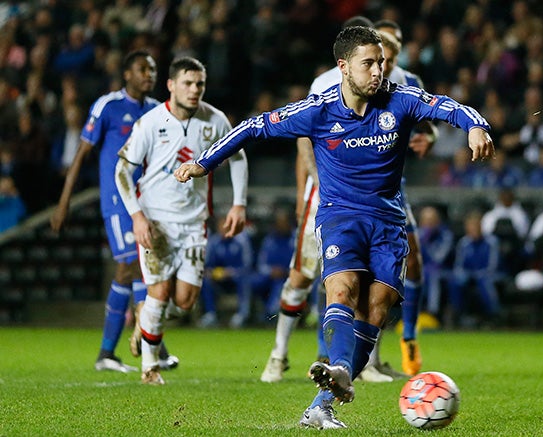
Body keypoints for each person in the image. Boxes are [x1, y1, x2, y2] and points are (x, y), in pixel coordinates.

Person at [174, 26, 494, 429]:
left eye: (381, 62)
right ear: (344, 67)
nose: (379, 70)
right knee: (342, 290)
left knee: (376, 308)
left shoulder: (400, 99)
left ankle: (323, 402)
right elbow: (254, 126)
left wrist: (476, 126)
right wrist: (204, 162)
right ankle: (340, 369)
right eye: (369, 63)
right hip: (340, 217)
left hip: (388, 223)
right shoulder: (318, 110)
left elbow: (448, 106)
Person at [259, 17, 435, 384]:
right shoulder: (327, 83)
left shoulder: (407, 83)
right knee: (307, 273)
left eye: (393, 47)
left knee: (384, 278)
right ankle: (280, 354)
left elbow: (427, 127)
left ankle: (368, 358)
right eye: (381, 46)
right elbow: (303, 134)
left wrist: (427, 140)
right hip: (330, 194)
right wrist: (306, 188)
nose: (387, 54)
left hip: (386, 194)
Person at [115, 56, 248, 385]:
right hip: (156, 221)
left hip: (194, 223)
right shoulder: (150, 122)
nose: (194, 90)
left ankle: (145, 323)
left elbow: (239, 156)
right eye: (187, 83)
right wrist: (137, 217)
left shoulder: (214, 119)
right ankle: (149, 368)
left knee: (186, 301)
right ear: (171, 85)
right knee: (158, 292)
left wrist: (238, 204)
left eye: (199, 84)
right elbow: (121, 169)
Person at [50, 50, 177, 373]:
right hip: (119, 203)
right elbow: (81, 153)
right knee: (131, 265)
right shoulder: (108, 106)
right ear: (127, 74)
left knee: (139, 270)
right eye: (142, 69)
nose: (149, 74)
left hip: (149, 204)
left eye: (152, 69)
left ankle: (114, 352)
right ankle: (150, 345)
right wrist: (64, 202)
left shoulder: (157, 111)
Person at [198, 215, 255, 329]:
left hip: (236, 278)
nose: (224, 229)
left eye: (227, 226)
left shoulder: (241, 241)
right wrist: (212, 272)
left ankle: (242, 314)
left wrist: (231, 272)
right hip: (219, 280)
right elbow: (207, 264)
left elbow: (248, 265)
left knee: (245, 280)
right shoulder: (214, 242)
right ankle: (210, 314)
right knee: (204, 279)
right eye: (222, 226)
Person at [447, 211, 502, 327]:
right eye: (470, 227)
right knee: (455, 281)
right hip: (469, 274)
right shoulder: (464, 243)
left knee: (484, 281)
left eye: (476, 227)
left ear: (481, 227)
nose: (473, 230)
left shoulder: (491, 242)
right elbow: (459, 265)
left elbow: (493, 265)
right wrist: (463, 274)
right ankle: (459, 314)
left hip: (488, 274)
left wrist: (479, 274)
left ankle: (493, 315)